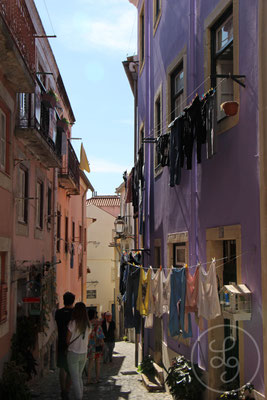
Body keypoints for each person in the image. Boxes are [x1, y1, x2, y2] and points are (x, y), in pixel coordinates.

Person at [66, 302, 91, 400]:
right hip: (83, 353)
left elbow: (67, 340)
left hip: (73, 353)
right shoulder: (88, 325)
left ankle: (79, 397)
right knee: (79, 377)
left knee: (75, 378)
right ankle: (80, 396)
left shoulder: (72, 323)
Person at [55, 291, 75, 400]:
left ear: (63, 300)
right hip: (72, 343)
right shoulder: (74, 313)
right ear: (73, 301)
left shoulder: (58, 313)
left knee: (62, 367)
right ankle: (67, 390)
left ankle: (62, 390)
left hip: (61, 341)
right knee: (71, 369)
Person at [87, 309, 105, 384]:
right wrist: (103, 344)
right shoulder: (97, 325)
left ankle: (88, 379)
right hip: (97, 346)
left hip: (89, 346)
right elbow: (100, 336)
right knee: (97, 362)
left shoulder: (87, 324)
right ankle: (97, 378)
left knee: (90, 362)